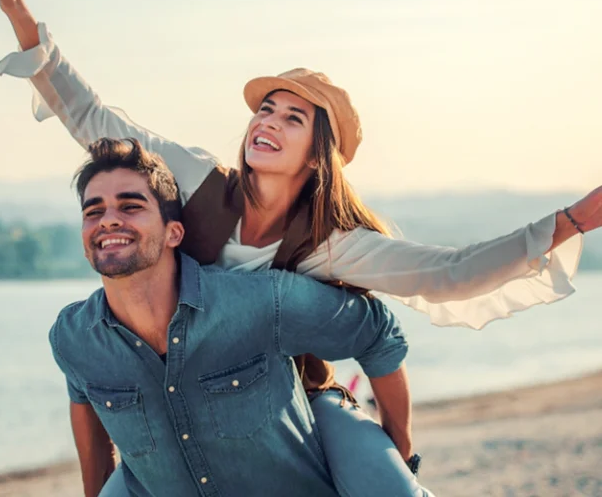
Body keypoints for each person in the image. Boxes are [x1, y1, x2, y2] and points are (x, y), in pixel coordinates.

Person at [0, 0, 602, 493]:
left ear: (317, 154)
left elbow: (450, 274)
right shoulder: (200, 179)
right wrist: (25, 25)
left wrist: (573, 220)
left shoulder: (334, 242)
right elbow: (96, 119)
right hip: (188, 403)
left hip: (300, 399)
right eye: (265, 109)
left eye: (292, 117)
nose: (268, 123)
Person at [52, 137, 433, 496]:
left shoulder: (260, 302)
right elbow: (92, 433)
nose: (109, 220)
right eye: (93, 211)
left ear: (173, 232)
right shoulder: (74, 338)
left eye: (130, 206)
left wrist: (400, 455)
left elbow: (376, 333)